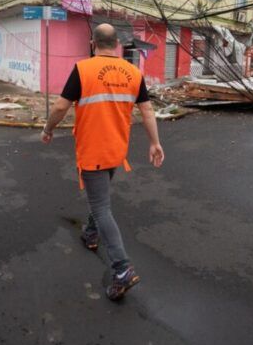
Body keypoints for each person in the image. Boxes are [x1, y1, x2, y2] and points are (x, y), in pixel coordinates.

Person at [41, 23, 164, 301]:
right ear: (117, 44)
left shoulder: (83, 69)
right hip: (116, 150)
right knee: (99, 199)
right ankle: (91, 234)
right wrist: (155, 143)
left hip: (93, 151)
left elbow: (60, 106)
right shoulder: (133, 72)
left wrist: (47, 129)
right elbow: (147, 110)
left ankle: (122, 269)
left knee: (101, 206)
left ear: (93, 43)